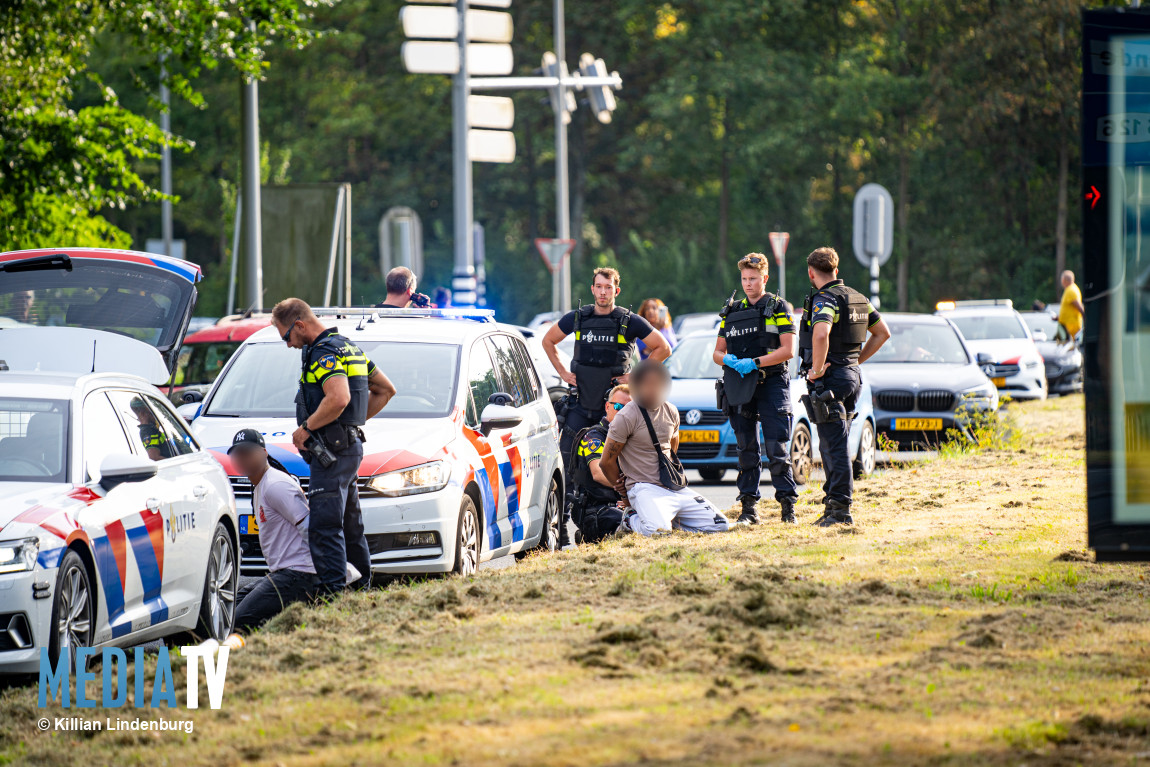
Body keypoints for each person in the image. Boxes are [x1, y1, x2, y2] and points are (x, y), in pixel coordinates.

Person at [272, 298, 397, 594]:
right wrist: (349, 424)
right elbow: (385, 389)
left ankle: (333, 597)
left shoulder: (322, 352)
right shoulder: (347, 346)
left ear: (299, 325)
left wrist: (307, 429)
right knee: (350, 525)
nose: (288, 344)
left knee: (325, 527)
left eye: (286, 336)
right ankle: (360, 590)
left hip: (332, 453)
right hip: (347, 448)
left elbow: (338, 398)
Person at [543, 267, 672, 544]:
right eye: (599, 286)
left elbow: (663, 348)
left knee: (622, 466)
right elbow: (548, 340)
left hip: (615, 412)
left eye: (608, 287)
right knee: (565, 470)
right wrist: (564, 373)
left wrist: (637, 376)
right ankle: (562, 531)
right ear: (592, 289)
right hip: (580, 407)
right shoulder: (578, 318)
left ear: (617, 290)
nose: (603, 292)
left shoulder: (628, 321)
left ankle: (628, 517)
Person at [798, 247, 890, 526]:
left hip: (831, 380)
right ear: (836, 270)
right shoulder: (859, 298)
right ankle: (832, 506)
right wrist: (855, 361)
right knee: (832, 443)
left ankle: (840, 511)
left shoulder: (824, 299)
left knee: (834, 446)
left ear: (812, 273)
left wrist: (817, 369)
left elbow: (822, 333)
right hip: (851, 377)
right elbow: (882, 333)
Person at [712, 253, 799, 525]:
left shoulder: (778, 307)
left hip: (772, 382)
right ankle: (748, 509)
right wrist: (728, 360)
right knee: (745, 449)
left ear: (765, 278)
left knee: (776, 450)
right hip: (739, 384)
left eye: (753, 279)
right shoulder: (732, 311)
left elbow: (788, 350)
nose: (748, 284)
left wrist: (756, 362)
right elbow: (716, 352)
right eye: (744, 279)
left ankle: (788, 508)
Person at [600, 360, 729, 536]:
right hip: (644, 489)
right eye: (648, 384)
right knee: (658, 532)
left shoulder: (671, 410)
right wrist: (624, 493)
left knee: (720, 525)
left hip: (673, 487)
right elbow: (606, 462)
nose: (653, 389)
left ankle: (667, 518)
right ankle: (631, 520)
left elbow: (672, 448)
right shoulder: (626, 416)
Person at [227, 429, 318, 632]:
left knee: (239, 621)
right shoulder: (260, 484)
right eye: (239, 454)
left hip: (298, 574)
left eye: (249, 453)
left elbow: (309, 527)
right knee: (228, 613)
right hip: (284, 573)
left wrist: (325, 578)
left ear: (264, 453)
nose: (243, 459)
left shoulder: (275, 485)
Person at [570, 384, 632, 543]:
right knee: (632, 525)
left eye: (629, 408)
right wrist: (629, 491)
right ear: (607, 407)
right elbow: (598, 473)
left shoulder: (629, 437)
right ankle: (588, 538)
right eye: (618, 406)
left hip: (620, 504)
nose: (623, 411)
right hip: (596, 509)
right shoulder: (594, 437)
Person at [1058, 270, 1084, 343]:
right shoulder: (1070, 289)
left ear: (1063, 280)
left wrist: (1085, 318)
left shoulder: (1071, 290)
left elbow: (1079, 307)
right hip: (1068, 325)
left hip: (1071, 327)